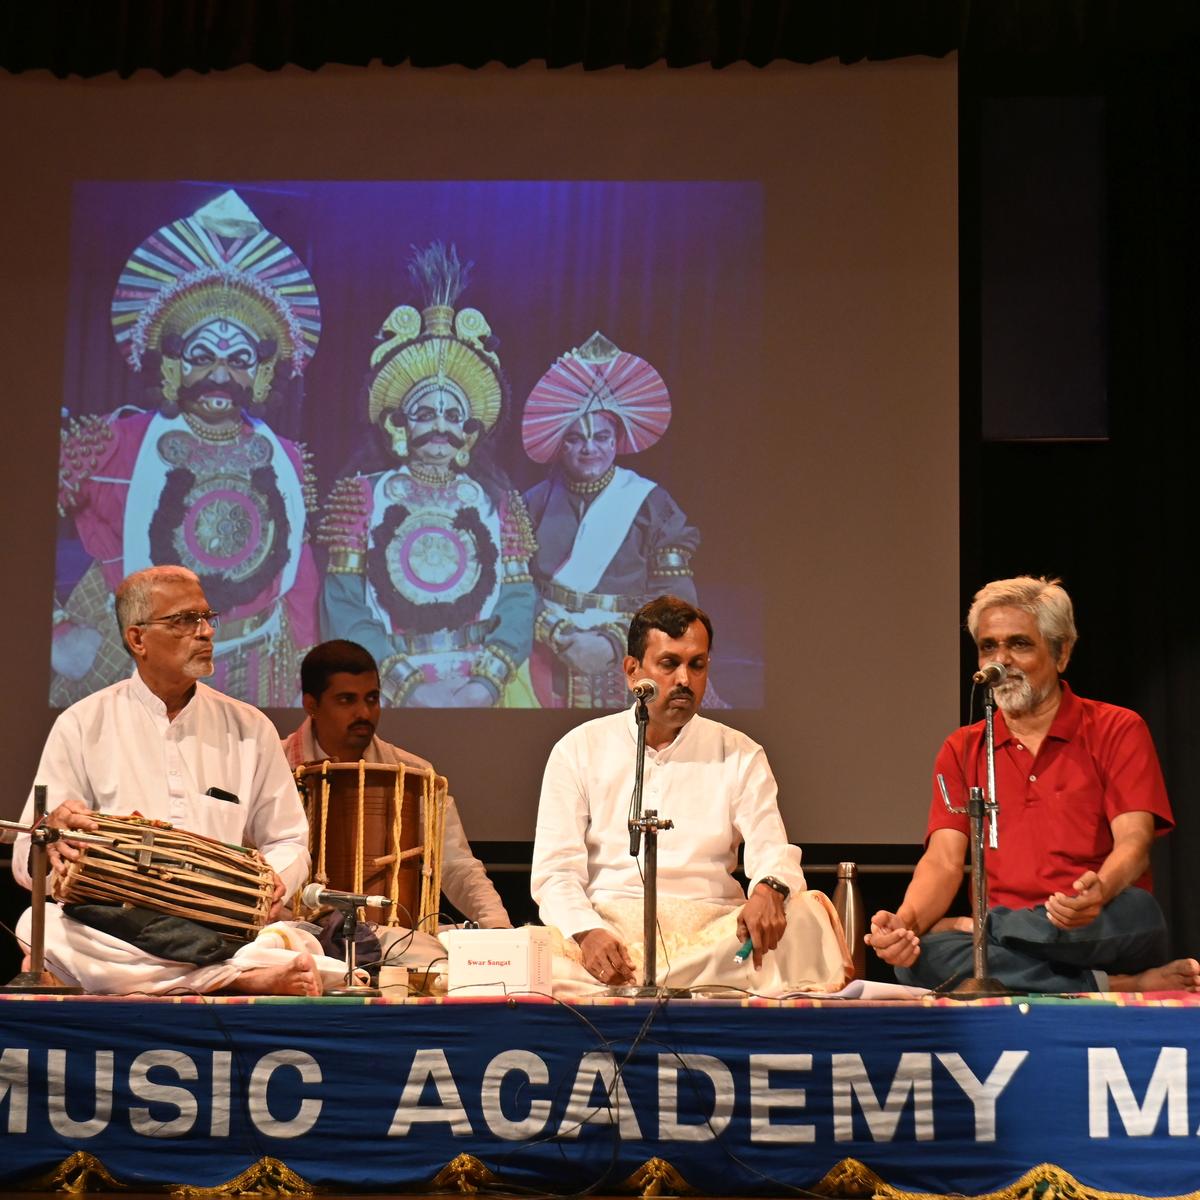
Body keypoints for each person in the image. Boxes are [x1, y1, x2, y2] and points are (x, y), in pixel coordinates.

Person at [53, 189, 322, 708]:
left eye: (239, 357)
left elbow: (300, 573)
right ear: (172, 363)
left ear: (262, 372)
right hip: (142, 668)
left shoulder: (286, 457)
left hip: (257, 666)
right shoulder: (114, 444)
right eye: (202, 354)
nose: (220, 372)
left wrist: (308, 658)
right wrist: (59, 630)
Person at [867, 576, 1200, 994]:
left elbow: (1134, 842)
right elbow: (943, 862)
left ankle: (988, 931)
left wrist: (1099, 892)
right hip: (1024, 930)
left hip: (1094, 924)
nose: (1000, 660)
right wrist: (907, 924)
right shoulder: (962, 747)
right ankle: (1115, 984)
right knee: (920, 960)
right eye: (989, 646)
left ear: (1062, 653)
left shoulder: (1118, 728)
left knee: (1140, 912)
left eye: (1019, 644)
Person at [13, 565, 330, 996]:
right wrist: (50, 841)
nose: (205, 633)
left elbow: (288, 840)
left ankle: (198, 975)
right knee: (38, 925)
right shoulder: (83, 724)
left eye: (206, 618)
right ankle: (231, 980)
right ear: (137, 639)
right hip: (119, 929)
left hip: (220, 928)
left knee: (293, 939)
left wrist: (271, 881)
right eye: (184, 621)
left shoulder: (248, 727)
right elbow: (24, 861)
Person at [530, 595, 850, 994]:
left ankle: (674, 983)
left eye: (696, 665)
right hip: (609, 934)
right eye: (669, 664)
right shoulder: (578, 749)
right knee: (525, 959)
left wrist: (769, 889)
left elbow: (773, 850)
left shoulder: (739, 753)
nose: (684, 679)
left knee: (806, 914)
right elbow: (555, 872)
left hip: (712, 936)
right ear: (633, 671)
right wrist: (587, 932)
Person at [318, 242, 536, 708]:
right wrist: (408, 688)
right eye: (424, 413)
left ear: (470, 432)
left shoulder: (495, 502)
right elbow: (344, 608)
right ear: (399, 424)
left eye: (453, 415)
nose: (440, 425)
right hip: (387, 689)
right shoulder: (361, 498)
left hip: (484, 685)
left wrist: (485, 683)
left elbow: (518, 602)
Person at [521, 331, 700, 708]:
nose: (590, 449)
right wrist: (555, 632)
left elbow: (678, 601)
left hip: (630, 654)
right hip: (545, 646)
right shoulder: (531, 504)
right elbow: (512, 588)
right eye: (575, 439)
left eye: (601, 437)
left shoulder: (653, 504)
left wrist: (613, 642)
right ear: (559, 444)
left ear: (617, 439)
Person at [281, 639, 511, 928]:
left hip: (390, 943)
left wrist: (498, 927)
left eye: (372, 699)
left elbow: (457, 866)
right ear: (311, 704)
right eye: (346, 700)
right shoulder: (275, 765)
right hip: (289, 939)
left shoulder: (413, 774)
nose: (364, 713)